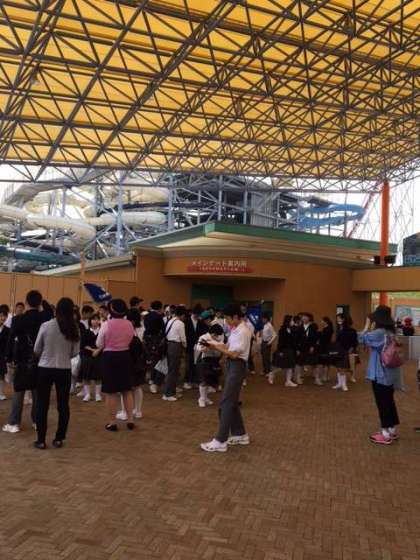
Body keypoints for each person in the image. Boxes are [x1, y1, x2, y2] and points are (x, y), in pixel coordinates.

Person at [201, 304, 252, 453]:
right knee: (232, 403)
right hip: (232, 366)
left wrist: (216, 347)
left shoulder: (243, 331)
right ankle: (240, 434)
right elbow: (227, 346)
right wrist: (212, 345)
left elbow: (234, 354)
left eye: (228, 319)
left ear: (235, 317)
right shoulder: (236, 330)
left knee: (226, 404)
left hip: (237, 366)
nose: (227, 322)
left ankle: (220, 440)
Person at [3, 291, 53, 434]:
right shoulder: (45, 317)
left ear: (26, 302)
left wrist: (8, 358)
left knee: (19, 392)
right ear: (39, 303)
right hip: (41, 360)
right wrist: (43, 302)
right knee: (38, 393)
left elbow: (10, 340)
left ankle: (14, 423)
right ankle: (37, 422)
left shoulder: (18, 319)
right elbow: (49, 310)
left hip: (23, 360)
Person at [33, 297, 80, 449]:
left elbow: (36, 349)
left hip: (45, 368)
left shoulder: (46, 325)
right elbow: (75, 352)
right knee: (63, 404)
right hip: (64, 369)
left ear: (57, 309)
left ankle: (41, 440)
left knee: (42, 404)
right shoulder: (74, 328)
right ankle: (59, 438)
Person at [358, 305, 403, 445]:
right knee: (389, 401)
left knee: (382, 403)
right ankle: (391, 430)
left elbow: (361, 338)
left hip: (380, 373)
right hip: (391, 373)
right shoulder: (391, 332)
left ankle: (385, 434)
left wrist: (366, 325)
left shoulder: (379, 333)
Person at [96, 299, 136, 431]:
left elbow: (99, 344)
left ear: (111, 310)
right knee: (127, 390)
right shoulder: (129, 324)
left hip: (110, 357)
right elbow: (131, 339)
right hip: (125, 356)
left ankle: (112, 422)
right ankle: (130, 420)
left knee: (111, 392)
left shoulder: (106, 324)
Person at [195, 323, 224, 407]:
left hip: (214, 361)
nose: (218, 337)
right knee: (204, 380)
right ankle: (201, 399)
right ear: (213, 333)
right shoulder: (203, 337)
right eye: (216, 335)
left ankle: (205, 397)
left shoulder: (218, 339)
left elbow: (221, 346)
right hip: (204, 360)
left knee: (209, 381)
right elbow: (199, 348)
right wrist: (207, 347)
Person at [162, 305, 187, 402]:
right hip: (176, 346)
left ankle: (170, 392)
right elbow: (183, 338)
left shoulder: (170, 320)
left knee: (171, 370)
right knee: (173, 371)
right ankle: (168, 394)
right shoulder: (180, 323)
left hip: (169, 345)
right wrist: (185, 347)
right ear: (182, 315)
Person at [143, 300, 165, 394]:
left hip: (147, 339)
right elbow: (163, 329)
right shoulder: (159, 317)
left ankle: (150, 378)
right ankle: (153, 380)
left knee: (150, 359)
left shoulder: (146, 316)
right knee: (157, 360)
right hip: (156, 340)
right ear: (160, 308)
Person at [79, 313, 102, 402]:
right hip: (87, 356)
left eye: (97, 319)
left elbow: (105, 343)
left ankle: (97, 394)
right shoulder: (86, 332)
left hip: (99, 356)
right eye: (93, 319)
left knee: (98, 376)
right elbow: (83, 345)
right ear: (90, 321)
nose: (95, 321)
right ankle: (87, 394)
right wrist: (93, 350)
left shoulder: (102, 331)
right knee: (86, 376)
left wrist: (98, 350)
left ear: (99, 321)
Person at [332, 314, 358, 392]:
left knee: (342, 367)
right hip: (338, 349)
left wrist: (351, 348)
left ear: (343, 319)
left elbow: (354, 341)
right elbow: (337, 340)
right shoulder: (339, 328)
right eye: (337, 318)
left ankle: (344, 384)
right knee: (338, 367)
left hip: (345, 350)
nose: (337, 320)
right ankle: (339, 383)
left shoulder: (351, 330)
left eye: (339, 318)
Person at [273, 314, 297, 387]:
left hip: (290, 349)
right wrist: (280, 351)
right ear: (288, 320)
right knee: (281, 366)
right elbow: (280, 341)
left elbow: (293, 339)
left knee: (290, 366)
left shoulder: (292, 329)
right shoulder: (282, 329)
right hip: (284, 350)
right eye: (292, 320)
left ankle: (288, 381)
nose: (293, 321)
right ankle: (272, 373)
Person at [184, 305, 204, 390]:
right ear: (193, 313)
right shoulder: (186, 321)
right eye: (196, 314)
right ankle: (187, 381)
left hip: (197, 347)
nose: (198, 316)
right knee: (188, 364)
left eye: (199, 314)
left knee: (196, 364)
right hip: (188, 346)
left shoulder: (200, 322)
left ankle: (194, 381)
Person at [316, 317, 334, 383]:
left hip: (324, 347)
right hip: (326, 346)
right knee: (326, 363)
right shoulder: (327, 328)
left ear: (326, 321)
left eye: (322, 320)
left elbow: (324, 338)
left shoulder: (328, 329)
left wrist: (318, 335)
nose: (321, 322)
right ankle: (325, 376)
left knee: (324, 362)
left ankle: (323, 376)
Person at [259, 313, 276, 378]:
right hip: (263, 343)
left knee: (267, 358)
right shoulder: (265, 325)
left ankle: (268, 372)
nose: (262, 320)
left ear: (266, 319)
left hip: (267, 343)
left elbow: (274, 335)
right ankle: (265, 370)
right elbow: (265, 334)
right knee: (263, 358)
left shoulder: (269, 325)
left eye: (263, 318)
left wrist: (269, 342)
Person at [0, 307, 10, 400]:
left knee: (1, 375)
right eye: (1, 315)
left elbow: (8, 344)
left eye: (4, 316)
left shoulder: (7, 330)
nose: (2, 318)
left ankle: (1, 393)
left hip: (2, 355)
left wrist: (7, 355)